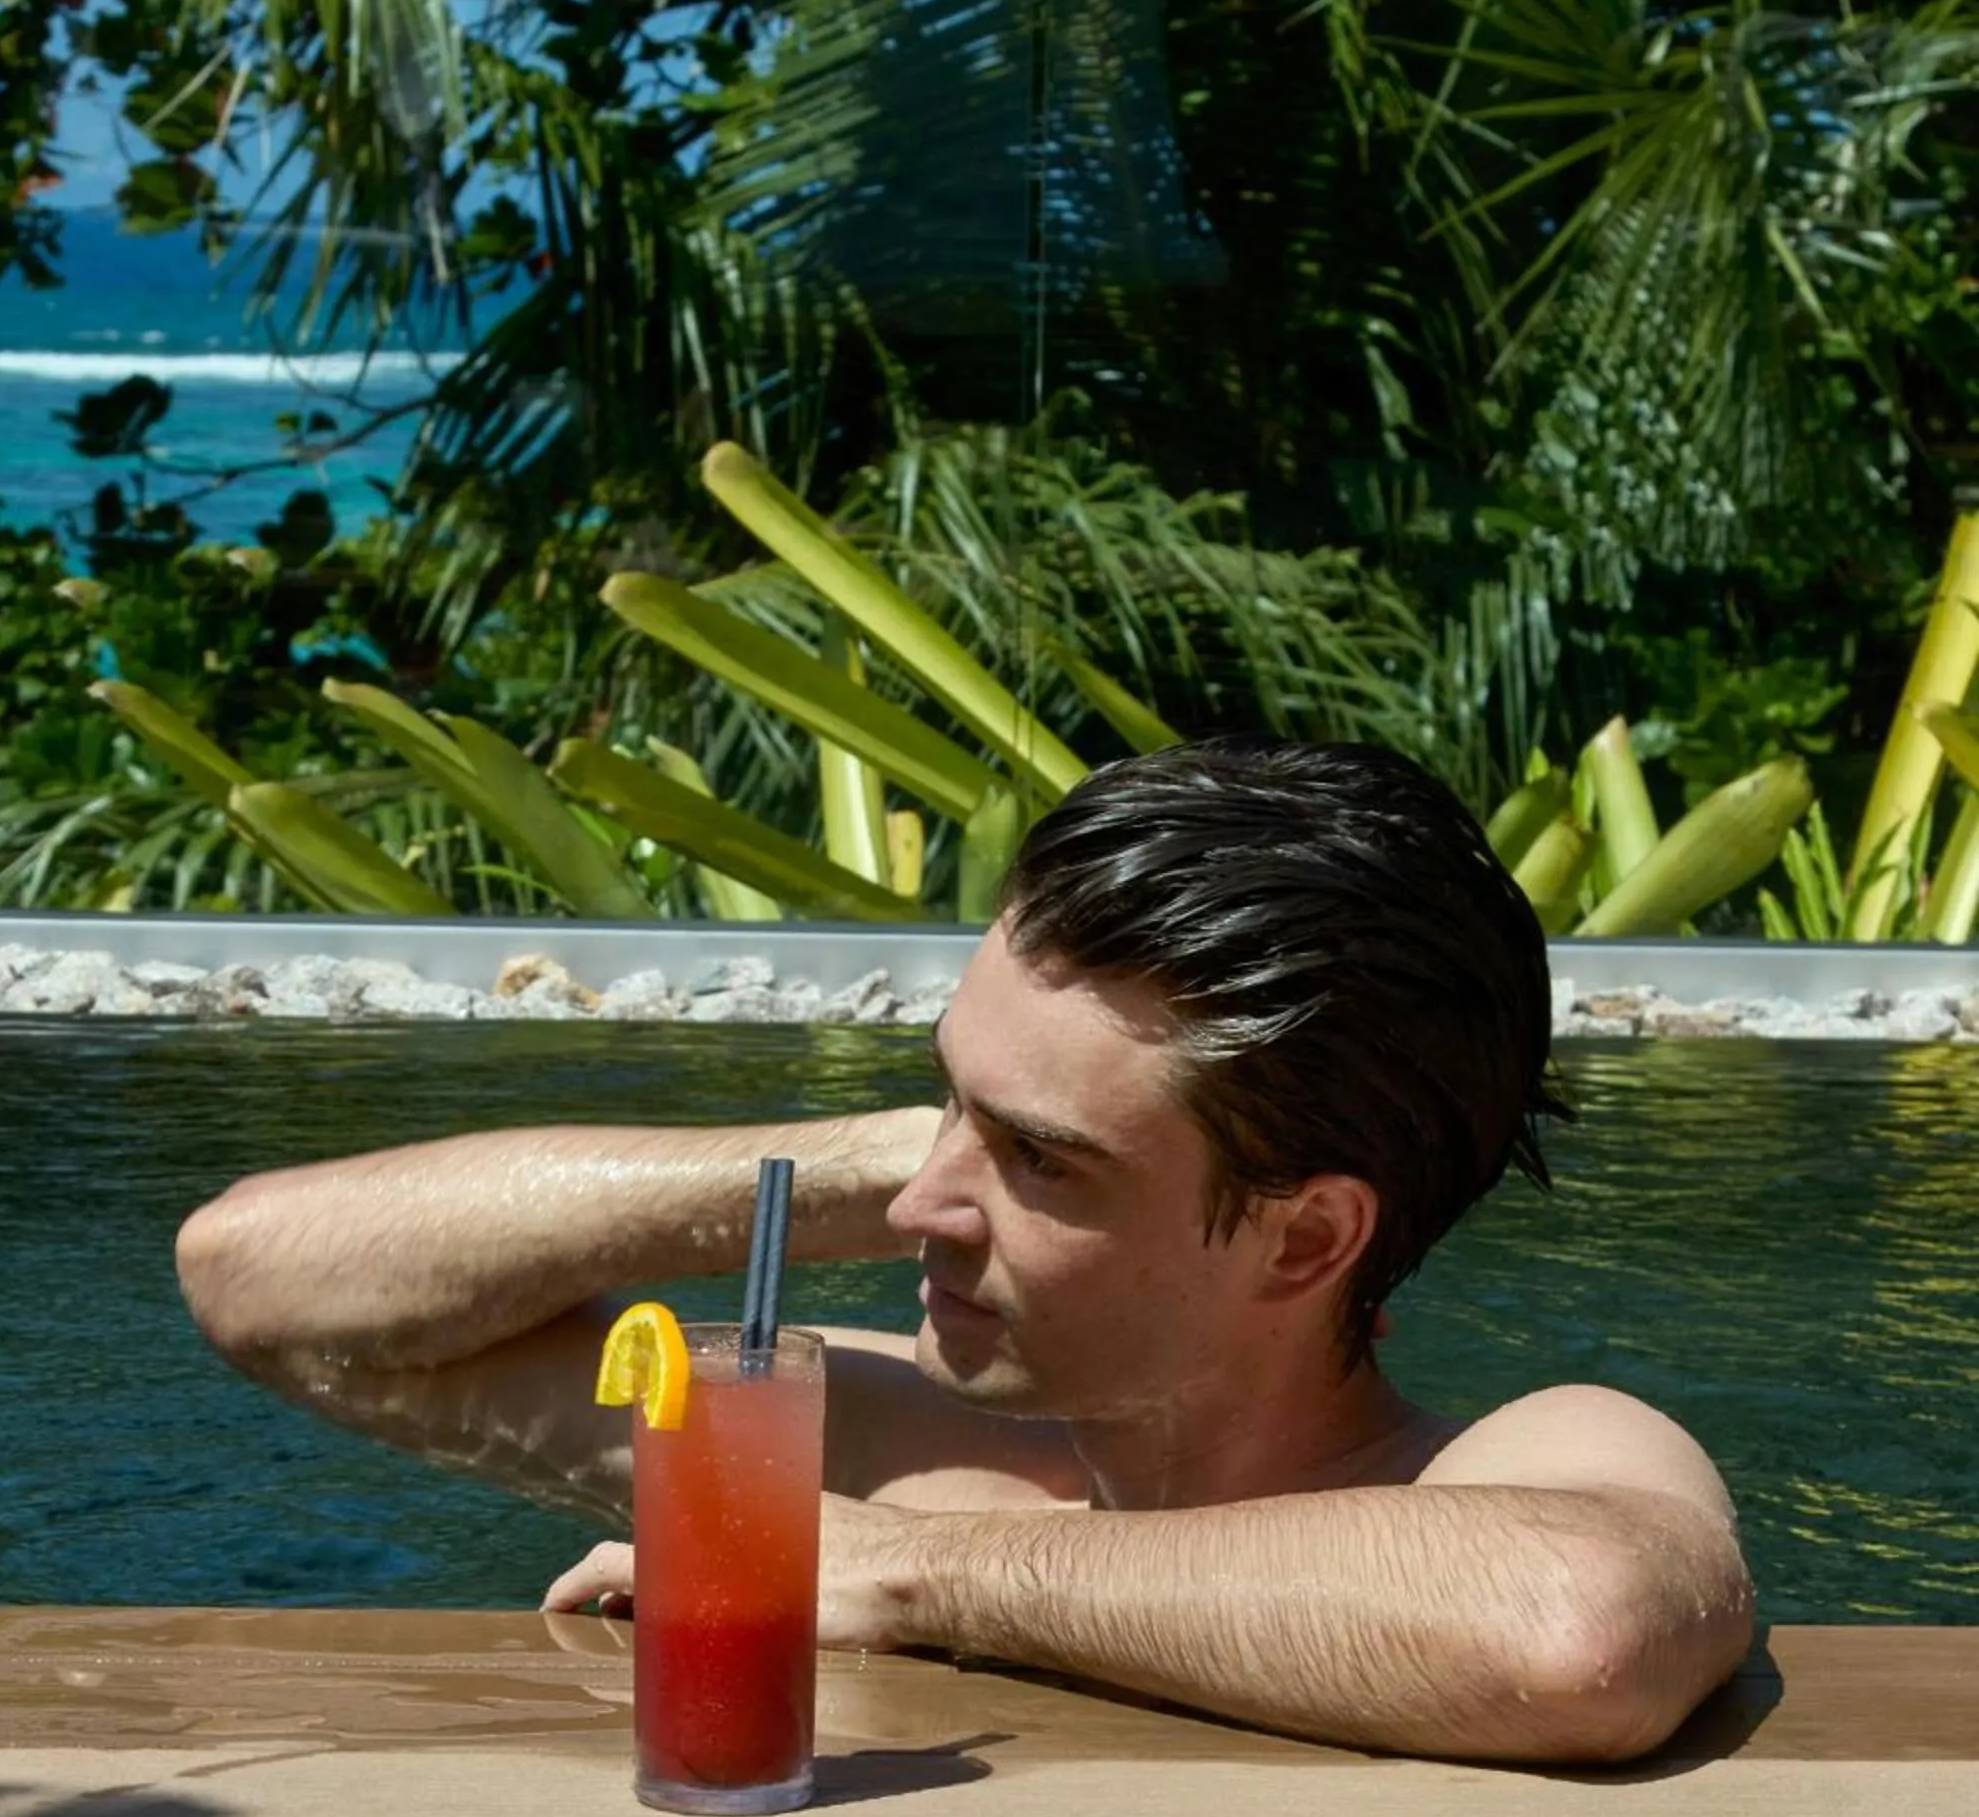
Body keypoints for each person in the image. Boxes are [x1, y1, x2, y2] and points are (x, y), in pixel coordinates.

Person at [175, 739, 1752, 1762]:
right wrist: (878, 1163)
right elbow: (268, 1288)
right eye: (946, 1098)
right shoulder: (877, 1445)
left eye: (1045, 1158)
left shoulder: (1515, 1465)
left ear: (1307, 1239)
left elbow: (1574, 1633)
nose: (929, 1205)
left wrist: (915, 1573)